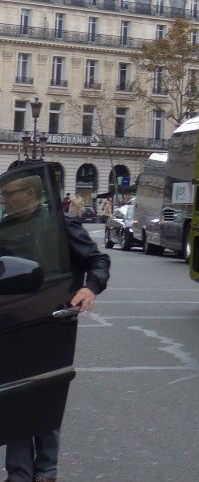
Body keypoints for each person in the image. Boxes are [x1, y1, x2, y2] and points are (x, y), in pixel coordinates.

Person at [2, 173, 111, 482]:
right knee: (16, 397)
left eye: (10, 193)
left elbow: (97, 259)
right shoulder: (6, 227)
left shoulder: (59, 224)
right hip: (13, 320)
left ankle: (46, 471)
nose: (4, 198)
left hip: (50, 319)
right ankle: (20, 474)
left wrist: (90, 288)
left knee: (45, 394)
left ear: (30, 193)